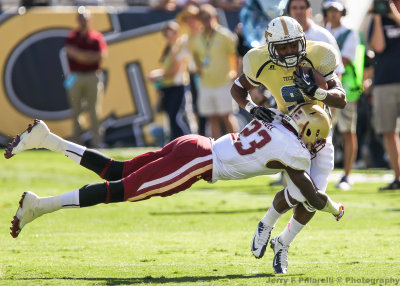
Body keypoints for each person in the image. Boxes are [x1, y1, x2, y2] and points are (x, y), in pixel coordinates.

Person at [6, 103, 344, 243]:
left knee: (118, 171)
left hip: (196, 144)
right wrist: (335, 209)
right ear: (310, 132)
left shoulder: (278, 122)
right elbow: (312, 196)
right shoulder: (295, 152)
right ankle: (40, 205)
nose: (318, 144)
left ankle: (47, 140)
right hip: (199, 163)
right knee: (121, 189)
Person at [231, 16, 346, 273]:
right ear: (271, 47)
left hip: (320, 132)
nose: (289, 51)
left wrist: (318, 92)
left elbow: (341, 99)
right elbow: (238, 88)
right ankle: (268, 223)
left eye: (293, 45)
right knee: (306, 193)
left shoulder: (319, 55)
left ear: (301, 41)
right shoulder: (258, 61)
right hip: (287, 131)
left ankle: (282, 242)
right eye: (282, 47)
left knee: (307, 199)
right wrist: (251, 108)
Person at [323, 0, 363, 190]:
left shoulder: (350, 33)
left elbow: (344, 60)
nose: (333, 14)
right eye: (330, 10)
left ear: (342, 12)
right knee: (321, 131)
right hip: (323, 90)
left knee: (347, 132)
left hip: (345, 90)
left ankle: (347, 175)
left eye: (336, 11)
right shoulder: (321, 31)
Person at [190, 3, 239, 139]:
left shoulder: (225, 35)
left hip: (224, 81)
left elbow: (235, 55)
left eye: (208, 17)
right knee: (212, 118)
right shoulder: (198, 38)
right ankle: (216, 149)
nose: (206, 20)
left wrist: (234, 73)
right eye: (203, 17)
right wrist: (199, 70)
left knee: (226, 115)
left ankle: (237, 144)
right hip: (206, 83)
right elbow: (197, 58)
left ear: (214, 17)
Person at [65, 7, 108, 148]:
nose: (83, 20)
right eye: (81, 17)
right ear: (77, 20)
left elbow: (101, 56)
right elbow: (71, 53)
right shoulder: (72, 36)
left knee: (94, 111)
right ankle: (76, 144)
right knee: (76, 111)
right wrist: (89, 56)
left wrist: (80, 55)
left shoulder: (96, 37)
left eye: (86, 17)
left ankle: (97, 143)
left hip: (92, 76)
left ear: (90, 19)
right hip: (76, 76)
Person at [369, 0, 400, 190]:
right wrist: (379, 18)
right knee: (388, 131)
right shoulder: (377, 18)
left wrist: (394, 14)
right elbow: (378, 47)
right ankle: (398, 177)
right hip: (384, 82)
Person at [148, 21, 197, 142]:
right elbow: (167, 69)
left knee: (177, 117)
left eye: (173, 32)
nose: (171, 35)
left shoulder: (180, 46)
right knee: (171, 118)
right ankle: (176, 144)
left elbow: (175, 70)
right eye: (168, 33)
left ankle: (188, 142)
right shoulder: (168, 48)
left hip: (178, 86)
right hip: (168, 87)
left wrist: (158, 75)